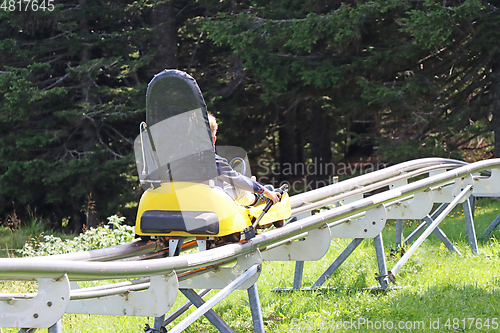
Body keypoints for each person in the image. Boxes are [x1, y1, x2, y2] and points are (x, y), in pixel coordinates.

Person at [208, 112, 281, 205]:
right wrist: (265, 191)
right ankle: (256, 197)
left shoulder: (184, 156)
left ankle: (252, 188)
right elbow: (237, 179)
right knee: (238, 187)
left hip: (188, 205)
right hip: (212, 205)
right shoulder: (211, 160)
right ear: (213, 139)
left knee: (226, 184)